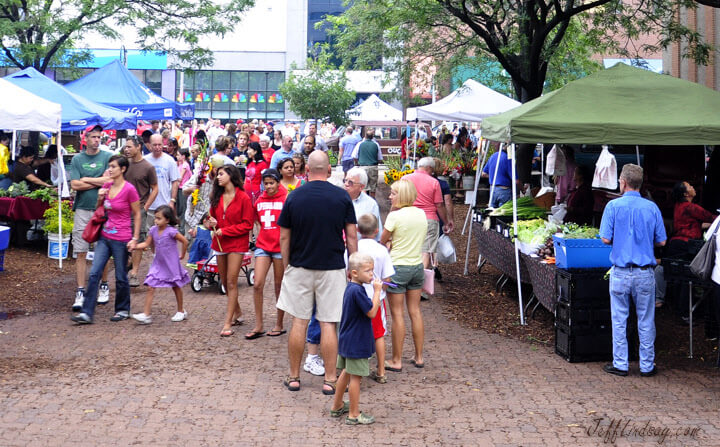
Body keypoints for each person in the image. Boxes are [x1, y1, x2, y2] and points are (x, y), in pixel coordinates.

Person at [277, 151, 358, 394]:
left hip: (300, 265)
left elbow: (284, 236)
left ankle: (294, 376)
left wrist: (288, 263)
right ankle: (330, 379)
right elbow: (351, 236)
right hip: (332, 267)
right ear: (330, 170)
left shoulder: (294, 196)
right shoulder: (342, 197)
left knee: (299, 322)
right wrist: (353, 266)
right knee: (328, 323)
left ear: (307, 170)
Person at [600, 164, 666, 377]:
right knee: (646, 320)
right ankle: (647, 365)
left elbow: (605, 238)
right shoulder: (652, 208)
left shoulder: (612, 206)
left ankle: (621, 364)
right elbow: (662, 241)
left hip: (620, 271)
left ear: (623, 182)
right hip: (645, 271)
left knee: (619, 319)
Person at [70, 155, 141, 324]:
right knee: (94, 272)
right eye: (109, 166)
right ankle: (87, 312)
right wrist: (100, 199)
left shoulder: (129, 189)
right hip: (105, 236)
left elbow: (137, 214)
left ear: (122, 169)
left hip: (121, 237)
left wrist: (135, 238)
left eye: (113, 166)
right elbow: (99, 210)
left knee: (121, 275)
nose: (110, 169)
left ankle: (123, 309)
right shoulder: (107, 186)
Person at [329, 252, 381, 425]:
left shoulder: (351, 288)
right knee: (356, 378)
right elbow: (372, 312)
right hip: (356, 342)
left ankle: (337, 406)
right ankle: (353, 414)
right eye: (367, 271)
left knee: (346, 372)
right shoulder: (358, 291)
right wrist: (377, 292)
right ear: (354, 273)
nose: (371, 275)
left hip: (347, 339)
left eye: (372, 270)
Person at [380, 179, 428, 371]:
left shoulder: (395, 216)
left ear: (401, 196)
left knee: (397, 314)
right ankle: (418, 356)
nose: (390, 196)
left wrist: (391, 242)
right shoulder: (421, 214)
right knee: (415, 312)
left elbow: (382, 240)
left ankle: (396, 359)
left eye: (393, 193)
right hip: (417, 266)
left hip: (398, 267)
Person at [69, 125, 113, 311]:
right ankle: (81, 290)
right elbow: (74, 185)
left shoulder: (107, 157)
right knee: (80, 250)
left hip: (103, 209)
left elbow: (109, 181)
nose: (97, 140)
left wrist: (86, 179)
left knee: (102, 251)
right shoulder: (77, 159)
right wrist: (97, 181)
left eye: (99, 137)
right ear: (85, 138)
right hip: (82, 209)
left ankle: (103, 285)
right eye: (93, 137)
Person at [207, 165, 254, 337]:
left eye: (221, 174)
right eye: (217, 174)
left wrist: (226, 231)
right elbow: (211, 219)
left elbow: (247, 224)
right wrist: (210, 224)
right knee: (225, 282)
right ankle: (238, 312)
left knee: (232, 281)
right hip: (220, 243)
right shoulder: (216, 197)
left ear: (231, 176)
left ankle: (228, 322)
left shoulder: (243, 198)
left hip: (237, 243)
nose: (218, 177)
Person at [245, 169, 288, 339]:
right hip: (263, 245)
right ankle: (259, 325)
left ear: (278, 182)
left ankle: (279, 323)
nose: (268, 186)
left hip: (279, 247)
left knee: (279, 286)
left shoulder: (286, 199)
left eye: (272, 183)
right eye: (266, 183)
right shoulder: (259, 200)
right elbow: (256, 220)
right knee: (257, 283)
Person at [131, 205, 191, 324]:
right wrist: (135, 246)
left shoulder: (171, 232)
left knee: (175, 286)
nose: (156, 221)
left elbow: (185, 241)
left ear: (167, 220)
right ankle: (146, 314)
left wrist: (182, 255)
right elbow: (147, 243)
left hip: (171, 263)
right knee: (150, 285)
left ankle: (181, 310)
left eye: (159, 218)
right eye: (155, 218)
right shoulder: (153, 230)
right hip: (158, 263)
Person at [134, 133, 179, 287]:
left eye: (160, 145)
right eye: (155, 145)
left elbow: (175, 181)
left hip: (164, 205)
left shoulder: (169, 161)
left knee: (166, 237)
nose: (158, 147)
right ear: (149, 145)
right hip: (149, 206)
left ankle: (166, 266)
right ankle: (156, 262)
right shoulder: (146, 161)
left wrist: (172, 201)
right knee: (151, 237)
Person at [356, 214, 395, 384]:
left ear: (358, 229)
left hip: (355, 295)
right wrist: (381, 289)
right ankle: (380, 370)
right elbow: (388, 277)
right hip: (376, 297)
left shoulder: (353, 247)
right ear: (377, 230)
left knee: (354, 331)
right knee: (378, 334)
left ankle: (353, 369)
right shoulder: (381, 250)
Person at [403, 157, 452, 278]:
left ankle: (408, 277)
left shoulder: (405, 179)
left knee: (410, 248)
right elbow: (439, 205)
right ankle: (419, 284)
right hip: (428, 219)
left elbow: (398, 200)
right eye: (432, 170)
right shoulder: (433, 182)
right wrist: (445, 222)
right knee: (426, 251)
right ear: (429, 168)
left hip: (408, 217)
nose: (433, 173)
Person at [124, 135, 159, 288]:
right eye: (125, 147)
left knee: (138, 241)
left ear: (138, 147)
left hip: (139, 209)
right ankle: (128, 264)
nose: (126, 150)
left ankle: (134, 273)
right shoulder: (124, 164)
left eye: (129, 146)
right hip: (123, 209)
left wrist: (145, 207)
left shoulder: (147, 167)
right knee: (124, 240)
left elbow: (155, 188)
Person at [344, 167, 382, 240]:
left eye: (350, 182)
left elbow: (377, 233)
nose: (346, 184)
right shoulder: (338, 199)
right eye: (345, 180)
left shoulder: (371, 204)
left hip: (362, 248)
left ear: (361, 187)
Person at [351, 128, 383, 198]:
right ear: (373, 136)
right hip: (373, 167)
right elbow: (380, 158)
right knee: (373, 187)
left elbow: (354, 156)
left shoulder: (360, 144)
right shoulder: (376, 145)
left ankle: (364, 201)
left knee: (363, 186)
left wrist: (357, 163)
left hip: (363, 167)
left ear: (365, 136)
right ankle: (372, 201)